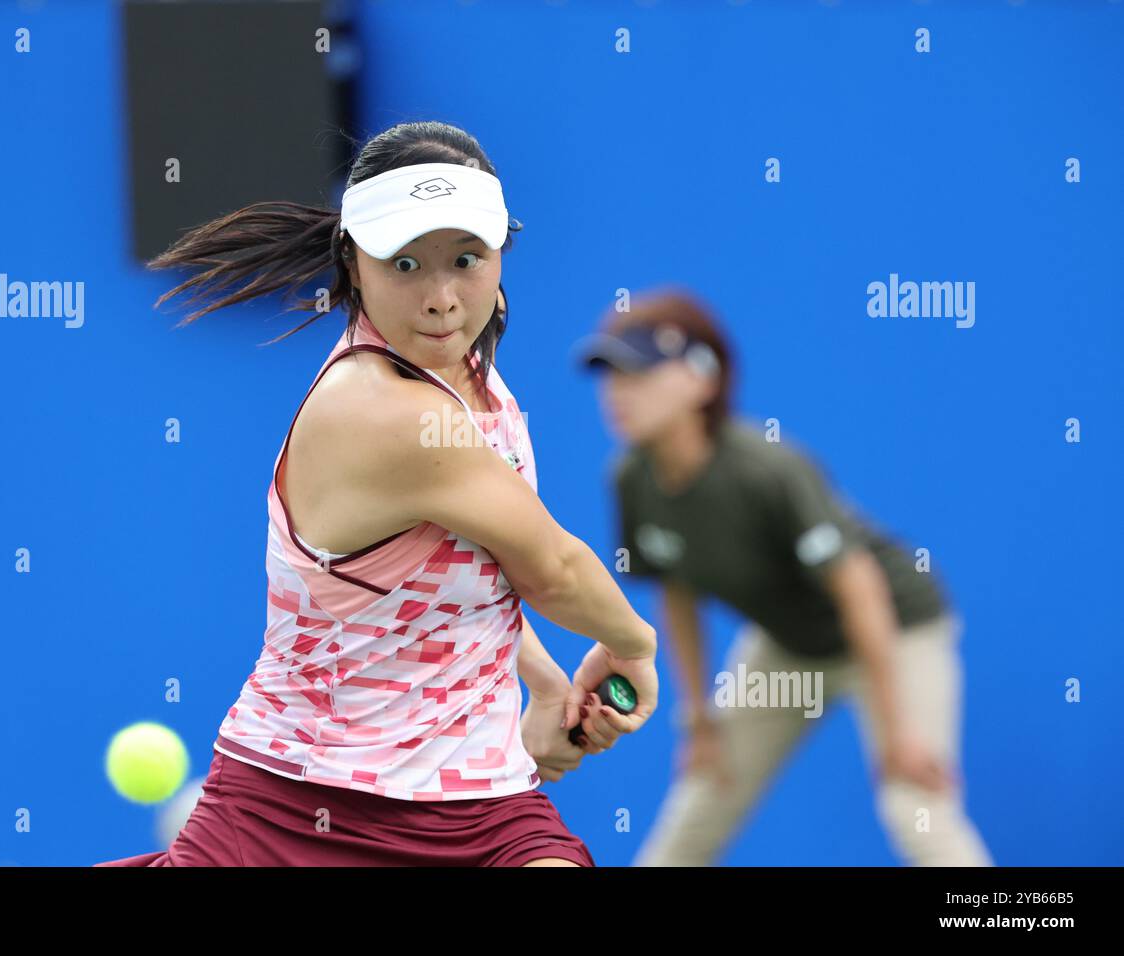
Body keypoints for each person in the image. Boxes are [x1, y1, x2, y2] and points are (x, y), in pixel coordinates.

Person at [96, 121, 657, 868]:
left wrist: (547, 681)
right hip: (294, 810)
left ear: (501, 255)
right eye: (405, 264)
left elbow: (464, 571)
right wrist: (632, 645)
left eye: (467, 259)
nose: (442, 298)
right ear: (354, 266)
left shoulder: (472, 385)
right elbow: (552, 569)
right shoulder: (388, 412)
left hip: (481, 812)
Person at [574, 288, 993, 867]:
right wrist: (698, 720)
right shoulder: (630, 479)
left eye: (640, 373)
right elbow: (676, 591)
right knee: (699, 804)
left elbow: (860, 586)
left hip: (893, 631)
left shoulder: (766, 469)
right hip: (789, 647)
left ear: (702, 380)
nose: (618, 393)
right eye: (610, 376)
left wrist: (900, 732)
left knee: (915, 806)